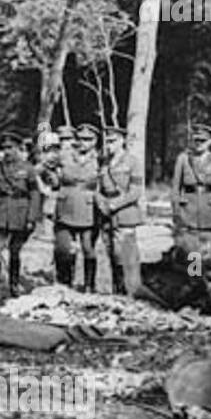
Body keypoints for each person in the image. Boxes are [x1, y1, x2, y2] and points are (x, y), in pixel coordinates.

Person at [0, 130, 40, 301]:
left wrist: (31, 217)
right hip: (0, 213)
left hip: (20, 214)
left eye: (11, 148)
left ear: (18, 148)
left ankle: (13, 284)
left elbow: (35, 194)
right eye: (4, 148)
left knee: (14, 251)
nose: (7, 151)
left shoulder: (27, 168)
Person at [171, 122, 211, 255]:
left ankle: (207, 274)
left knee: (210, 252)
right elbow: (176, 189)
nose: (199, 144)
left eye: (203, 141)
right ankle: (194, 275)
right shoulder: (183, 159)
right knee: (191, 251)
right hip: (189, 211)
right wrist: (176, 212)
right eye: (196, 140)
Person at [95, 125, 144, 296]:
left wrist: (114, 204)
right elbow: (97, 188)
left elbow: (136, 191)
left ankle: (133, 291)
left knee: (127, 256)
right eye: (107, 141)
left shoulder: (132, 162)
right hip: (107, 216)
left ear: (122, 141)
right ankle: (118, 291)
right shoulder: (104, 162)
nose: (109, 145)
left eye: (113, 141)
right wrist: (101, 203)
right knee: (112, 254)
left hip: (125, 214)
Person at [54, 123, 101, 292]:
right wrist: (51, 182)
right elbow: (40, 169)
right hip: (65, 207)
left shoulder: (101, 159)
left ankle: (89, 286)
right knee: (63, 249)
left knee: (88, 249)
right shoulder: (64, 156)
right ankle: (65, 283)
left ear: (95, 141)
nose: (83, 142)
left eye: (88, 139)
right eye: (80, 138)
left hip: (88, 209)